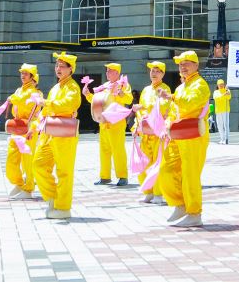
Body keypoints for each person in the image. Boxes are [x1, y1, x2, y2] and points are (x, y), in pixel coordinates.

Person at [159, 50, 210, 227]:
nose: (183, 66)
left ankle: (195, 213)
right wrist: (167, 124)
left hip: (194, 134)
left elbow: (190, 104)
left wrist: (172, 97)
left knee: (190, 174)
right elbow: (174, 112)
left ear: (196, 65)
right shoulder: (181, 87)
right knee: (166, 169)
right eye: (180, 64)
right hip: (178, 134)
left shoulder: (200, 84)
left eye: (186, 63)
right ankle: (179, 203)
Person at [33, 52, 82, 219]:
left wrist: (46, 103)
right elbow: (46, 110)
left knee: (64, 171)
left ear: (71, 69)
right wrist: (35, 126)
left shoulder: (73, 87)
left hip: (64, 132)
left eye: (62, 66)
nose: (58, 69)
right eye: (56, 66)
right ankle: (53, 196)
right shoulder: (56, 87)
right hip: (49, 131)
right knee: (38, 164)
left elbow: (69, 104)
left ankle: (63, 207)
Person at [85, 62, 133, 186]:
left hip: (116, 122)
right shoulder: (105, 86)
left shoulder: (123, 84)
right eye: (107, 71)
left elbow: (129, 99)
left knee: (118, 149)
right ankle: (105, 177)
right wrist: (88, 95)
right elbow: (97, 101)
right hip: (104, 122)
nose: (107, 73)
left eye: (110, 71)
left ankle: (122, 176)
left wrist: (121, 93)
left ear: (117, 73)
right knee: (104, 150)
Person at [133, 61, 169, 204]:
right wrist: (137, 124)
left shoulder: (164, 89)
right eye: (152, 71)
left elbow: (163, 109)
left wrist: (144, 108)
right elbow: (141, 110)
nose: (154, 73)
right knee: (144, 163)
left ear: (163, 74)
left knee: (158, 163)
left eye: (157, 71)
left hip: (158, 133)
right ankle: (148, 192)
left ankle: (159, 194)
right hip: (146, 132)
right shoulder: (146, 90)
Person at [5, 64, 43, 199]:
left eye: (26, 73)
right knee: (12, 158)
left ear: (32, 77)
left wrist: (12, 98)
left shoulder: (34, 92)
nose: (23, 75)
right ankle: (19, 183)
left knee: (27, 159)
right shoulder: (19, 90)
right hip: (18, 126)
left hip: (29, 128)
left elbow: (21, 100)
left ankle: (28, 189)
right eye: (22, 73)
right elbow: (16, 104)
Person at [212, 79, 232, 145]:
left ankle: (226, 139)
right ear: (217, 85)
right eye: (219, 84)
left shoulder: (227, 91)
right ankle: (222, 139)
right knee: (220, 125)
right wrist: (224, 94)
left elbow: (229, 97)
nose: (221, 85)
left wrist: (227, 92)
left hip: (225, 110)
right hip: (218, 110)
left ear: (224, 84)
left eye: (222, 84)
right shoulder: (216, 92)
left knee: (226, 125)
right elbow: (216, 98)